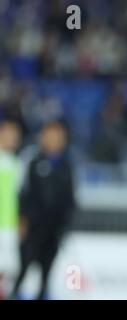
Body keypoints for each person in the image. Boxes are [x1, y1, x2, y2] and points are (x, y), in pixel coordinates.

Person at [10, 120, 76, 300]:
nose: (54, 140)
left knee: (46, 273)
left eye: (58, 136)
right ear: (42, 137)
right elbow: (23, 193)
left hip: (54, 230)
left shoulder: (67, 165)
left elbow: (70, 198)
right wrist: (22, 219)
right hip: (32, 227)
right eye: (50, 135)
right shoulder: (32, 161)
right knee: (23, 268)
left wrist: (66, 225)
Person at [0, 119, 22, 299]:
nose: (11, 139)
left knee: (6, 272)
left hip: (9, 226)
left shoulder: (18, 164)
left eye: (14, 136)